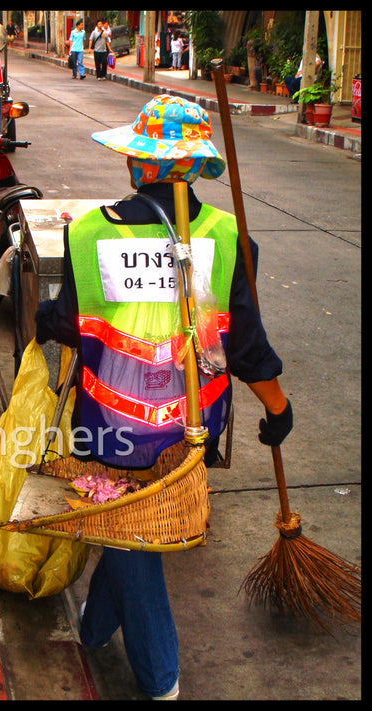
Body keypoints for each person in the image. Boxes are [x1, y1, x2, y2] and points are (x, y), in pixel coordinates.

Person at [35, 94, 293, 700]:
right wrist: (278, 409)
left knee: (132, 539)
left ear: (137, 165)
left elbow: (73, 322)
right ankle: (96, 630)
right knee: (127, 529)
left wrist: (47, 318)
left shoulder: (91, 233)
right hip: (188, 433)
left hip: (106, 427)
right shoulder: (228, 236)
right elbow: (248, 348)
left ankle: (160, 681)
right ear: (195, 169)